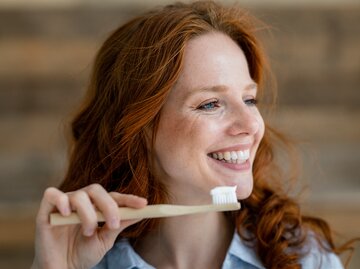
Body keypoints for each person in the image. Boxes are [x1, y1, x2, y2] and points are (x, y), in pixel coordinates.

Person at [31, 1, 354, 268]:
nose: (251, 124)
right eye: (211, 104)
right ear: (139, 128)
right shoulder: (82, 262)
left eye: (249, 99)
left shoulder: (304, 258)